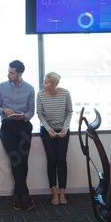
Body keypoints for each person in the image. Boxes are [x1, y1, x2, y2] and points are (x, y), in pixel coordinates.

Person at [0, 60, 35, 211]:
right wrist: (5, 111)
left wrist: (24, 116)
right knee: (15, 158)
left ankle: (18, 196)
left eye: (11, 72)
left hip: (24, 125)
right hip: (7, 126)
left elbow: (31, 111)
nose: (8, 74)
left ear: (19, 74)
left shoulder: (29, 88)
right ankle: (26, 195)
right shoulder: (1, 87)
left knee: (23, 160)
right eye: (9, 71)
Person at [36, 72, 73, 205]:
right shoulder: (40, 94)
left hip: (63, 129)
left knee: (61, 160)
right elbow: (40, 114)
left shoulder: (65, 93)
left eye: (46, 82)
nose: (43, 84)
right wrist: (49, 129)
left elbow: (69, 112)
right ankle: (54, 193)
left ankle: (62, 192)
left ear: (54, 84)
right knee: (52, 160)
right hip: (47, 130)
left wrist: (65, 128)